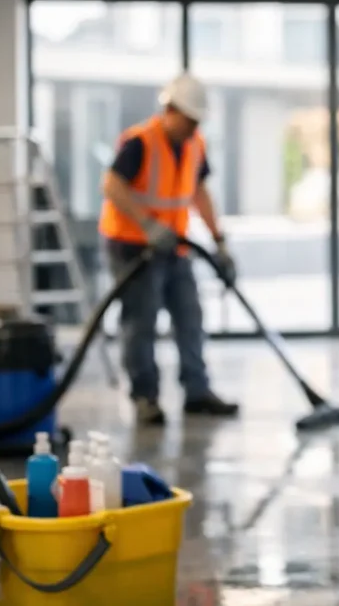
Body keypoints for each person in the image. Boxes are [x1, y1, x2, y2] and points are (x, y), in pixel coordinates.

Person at [98, 72, 239, 426]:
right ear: (171, 110)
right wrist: (146, 225)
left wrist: (219, 240)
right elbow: (112, 185)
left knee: (190, 317)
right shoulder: (140, 141)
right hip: (133, 247)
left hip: (174, 245)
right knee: (141, 322)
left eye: (197, 122)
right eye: (189, 120)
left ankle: (197, 392)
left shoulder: (195, 144)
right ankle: (145, 397)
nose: (193, 128)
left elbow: (200, 193)